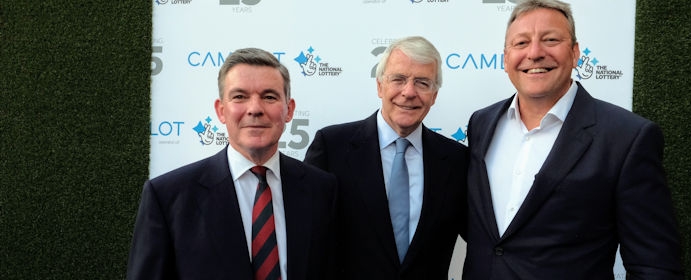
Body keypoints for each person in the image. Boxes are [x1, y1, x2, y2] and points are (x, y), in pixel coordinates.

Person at [462, 0, 684, 279]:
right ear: (505, 58)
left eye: (550, 40)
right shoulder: (481, 123)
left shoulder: (627, 137)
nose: (534, 53)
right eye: (521, 43)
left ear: (575, 52)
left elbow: (654, 264)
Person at [126, 48, 338, 280]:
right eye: (240, 96)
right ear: (221, 111)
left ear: (289, 110)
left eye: (269, 97)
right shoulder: (168, 197)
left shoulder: (322, 190)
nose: (255, 109)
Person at [304, 36, 468, 279]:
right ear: (380, 86)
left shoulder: (457, 160)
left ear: (434, 96)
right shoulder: (332, 147)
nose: (409, 92)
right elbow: (307, 237)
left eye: (422, 83)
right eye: (398, 79)